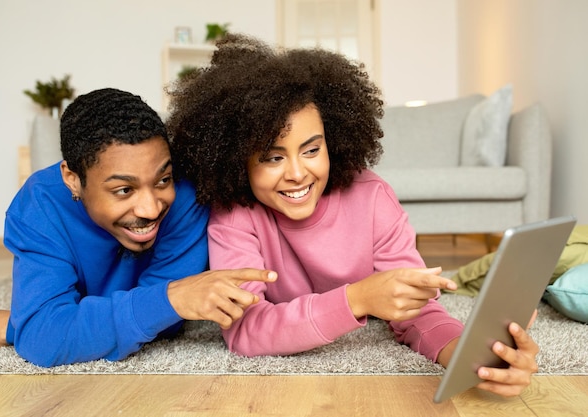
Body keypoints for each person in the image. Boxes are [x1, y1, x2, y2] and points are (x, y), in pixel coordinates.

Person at [166, 34, 539, 397]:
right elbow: (246, 331)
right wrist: (357, 299)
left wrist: (465, 354)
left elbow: (418, 311)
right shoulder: (234, 213)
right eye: (273, 157)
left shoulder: (372, 198)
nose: (297, 173)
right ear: (237, 159)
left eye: (311, 150)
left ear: (334, 141)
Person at [0, 88, 276, 367]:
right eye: (124, 190)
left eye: (162, 180)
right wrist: (169, 299)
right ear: (73, 180)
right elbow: (44, 340)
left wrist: (21, 326)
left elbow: (166, 324)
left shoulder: (187, 197)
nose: (151, 208)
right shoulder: (40, 205)